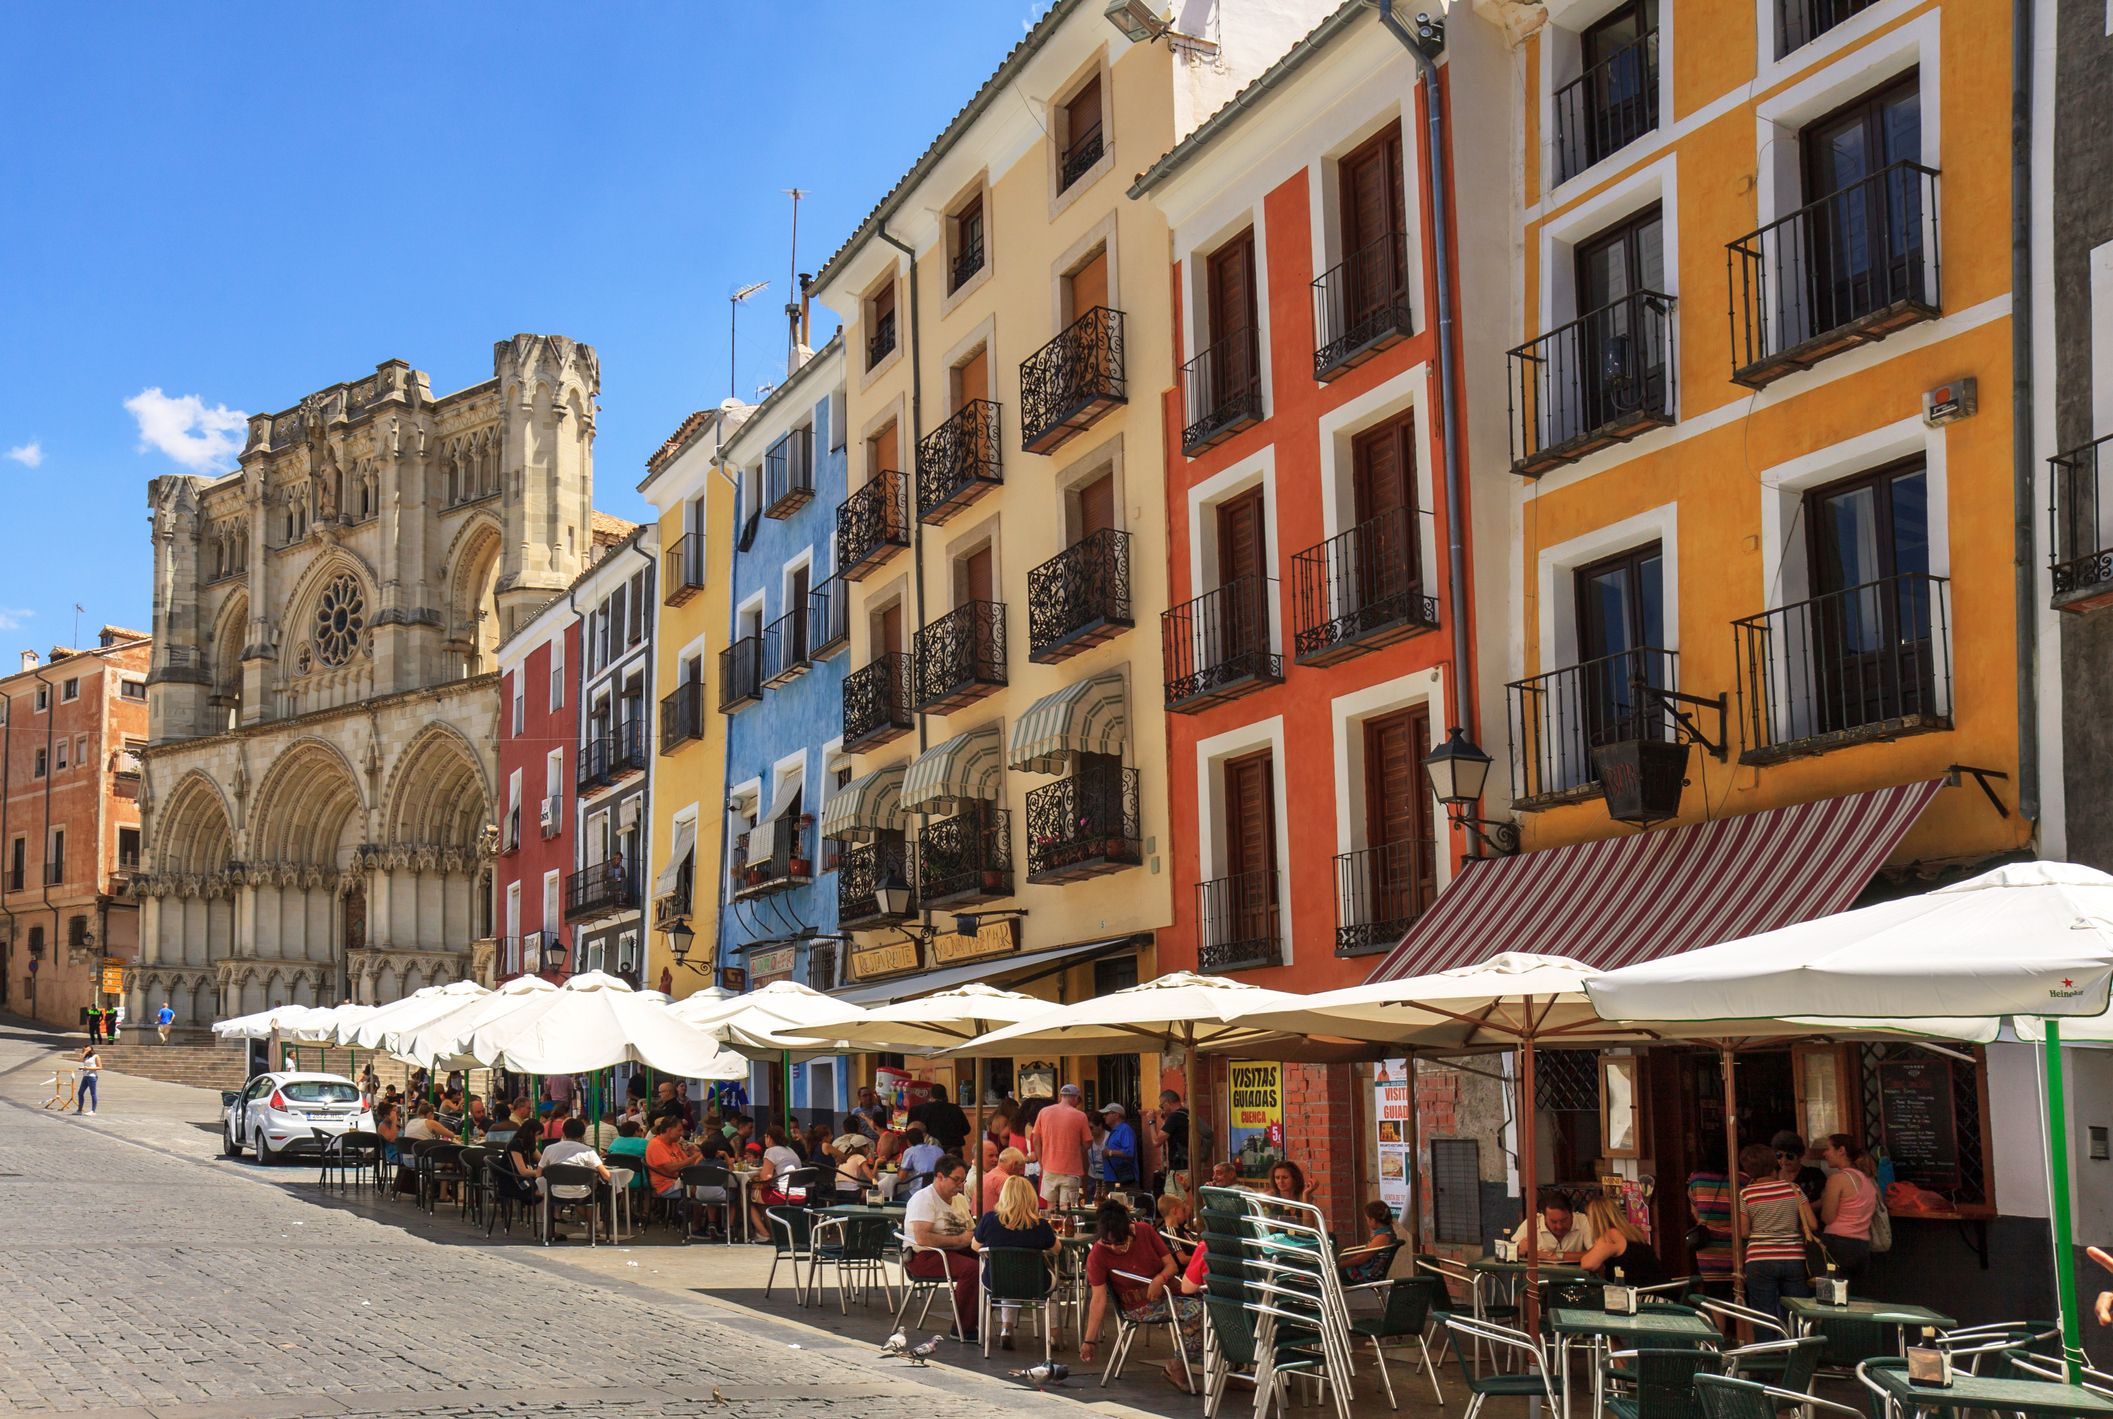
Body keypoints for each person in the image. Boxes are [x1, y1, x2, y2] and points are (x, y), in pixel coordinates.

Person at [1081, 1200, 1202, 1392]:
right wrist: (1089, 1340)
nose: (1113, 1247)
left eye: (1119, 1242)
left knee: (1216, 1311)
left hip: (1167, 1295)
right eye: (1107, 1242)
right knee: (1199, 1312)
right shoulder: (1097, 1254)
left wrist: (1159, 1279)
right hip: (1137, 1306)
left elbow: (1171, 1265)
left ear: (1128, 1231)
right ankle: (1178, 1367)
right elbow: (1098, 1299)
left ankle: (1220, 1369)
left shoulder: (1144, 1231)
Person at [974, 1174, 1058, 1351]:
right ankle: (1054, 1335)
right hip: (1037, 1283)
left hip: (995, 1281)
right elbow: (1057, 1249)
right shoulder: (1040, 1225)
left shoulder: (989, 1220)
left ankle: (1006, 1328)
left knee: (1006, 1276)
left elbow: (975, 1247)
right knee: (1054, 1289)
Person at [1738, 1141, 1818, 1321]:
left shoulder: (1746, 1194)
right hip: (1793, 1259)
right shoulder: (1794, 1189)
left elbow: (1743, 1232)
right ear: (1773, 1163)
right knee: (1796, 1312)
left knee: (1762, 1315)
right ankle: (1796, 1347)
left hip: (1760, 1259)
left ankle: (1768, 1348)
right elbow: (1812, 1225)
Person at [905, 1154, 979, 1342]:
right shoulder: (924, 1199)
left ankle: (978, 1317)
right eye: (956, 1180)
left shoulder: (960, 1199)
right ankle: (962, 1327)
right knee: (973, 1269)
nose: (960, 1185)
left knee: (993, 1262)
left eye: (962, 1180)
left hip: (956, 1250)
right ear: (940, 1176)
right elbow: (922, 1238)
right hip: (925, 1256)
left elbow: (971, 1230)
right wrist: (958, 1239)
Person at [535, 1116, 614, 1238]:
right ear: (581, 1135)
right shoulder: (587, 1150)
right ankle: (592, 1227)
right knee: (592, 1193)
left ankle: (550, 1230)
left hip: (556, 1193)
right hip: (581, 1194)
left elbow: (538, 1173)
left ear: (564, 1132)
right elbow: (607, 1175)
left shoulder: (549, 1149)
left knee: (582, 1192)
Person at [1818, 1133, 1879, 1277]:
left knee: (1833, 1294)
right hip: (1861, 1245)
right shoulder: (1868, 1179)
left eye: (1827, 1148)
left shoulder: (1837, 1178)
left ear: (1841, 1150)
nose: (1824, 1153)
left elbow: (1828, 1217)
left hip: (1837, 1243)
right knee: (1855, 1295)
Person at [645, 1115, 710, 1241]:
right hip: (666, 1185)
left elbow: (685, 1162)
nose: (682, 1133)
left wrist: (695, 1156)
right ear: (669, 1130)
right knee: (700, 1191)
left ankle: (710, 1224)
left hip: (679, 1180)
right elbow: (670, 1168)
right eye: (679, 1130)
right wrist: (692, 1158)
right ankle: (695, 1228)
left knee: (706, 1186)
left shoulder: (674, 1144)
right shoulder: (656, 1145)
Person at [1577, 1195, 1666, 1285]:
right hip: (1661, 1291)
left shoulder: (1611, 1235)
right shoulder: (1628, 1232)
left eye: (1588, 1215)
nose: (1587, 1218)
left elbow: (1588, 1264)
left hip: (1647, 1295)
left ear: (1595, 1218)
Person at [1034, 1084, 1095, 1210]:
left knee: (1050, 1206)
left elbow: (1036, 1139)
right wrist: (1080, 1149)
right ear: (1076, 1098)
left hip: (1049, 1167)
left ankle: (1051, 1229)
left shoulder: (1044, 1112)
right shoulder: (1080, 1116)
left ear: (1061, 1096)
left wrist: (1041, 1163)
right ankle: (1065, 1230)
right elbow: (1087, 1143)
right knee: (1066, 1207)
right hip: (1071, 1170)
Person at [1686, 1162, 1738, 1297]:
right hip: (1737, 1249)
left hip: (1708, 1250)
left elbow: (1694, 1211)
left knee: (1715, 1299)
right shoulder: (1742, 1178)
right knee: (1741, 1299)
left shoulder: (1697, 1178)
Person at [1511, 1192, 1595, 1258]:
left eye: (1564, 1220)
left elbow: (1596, 1254)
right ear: (1543, 1216)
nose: (1559, 1226)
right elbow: (1504, 1253)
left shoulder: (1583, 1221)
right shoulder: (1532, 1223)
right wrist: (1517, 1250)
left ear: (1572, 1212)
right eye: (1553, 1222)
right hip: (1539, 1279)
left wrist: (1555, 1256)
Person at [1339, 1201, 1399, 1284]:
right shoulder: (1387, 1231)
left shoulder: (1382, 1237)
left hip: (1366, 1275)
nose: (1367, 1222)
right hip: (1367, 1271)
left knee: (1327, 1273)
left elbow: (1362, 1259)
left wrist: (1341, 1264)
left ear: (1373, 1220)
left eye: (1367, 1219)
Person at [1144, 1089, 1189, 1197]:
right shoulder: (1186, 1113)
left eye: (1161, 1105)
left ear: (1167, 1102)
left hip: (1179, 1170)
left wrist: (1151, 1121)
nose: (1162, 1109)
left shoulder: (1175, 1117)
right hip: (1187, 1166)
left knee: (1172, 1204)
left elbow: (1156, 1141)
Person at [910, 1082, 970, 1154]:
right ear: (945, 1095)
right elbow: (966, 1129)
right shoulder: (956, 1109)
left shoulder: (918, 1109)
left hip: (929, 1149)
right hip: (954, 1149)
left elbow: (912, 1132)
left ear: (930, 1094)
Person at [1773, 1130, 1827, 1206]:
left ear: (1800, 1156)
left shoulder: (1814, 1175)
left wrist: (1802, 1211)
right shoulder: (1772, 1177)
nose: (1784, 1161)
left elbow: (1825, 1201)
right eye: (1779, 1155)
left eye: (1789, 1156)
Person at [982, 1145, 1026, 1217]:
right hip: (997, 1224)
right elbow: (1017, 1211)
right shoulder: (1007, 1181)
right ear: (1014, 1164)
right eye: (1019, 1169)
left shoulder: (986, 1177)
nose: (1019, 1174)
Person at [73, 1044, 100, 1114]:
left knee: (93, 1093)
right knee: (80, 1092)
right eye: (84, 1048)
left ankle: (93, 1110)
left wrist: (88, 1068)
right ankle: (79, 1110)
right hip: (85, 1076)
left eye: (87, 1048)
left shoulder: (95, 1056)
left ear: (91, 1048)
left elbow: (99, 1067)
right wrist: (84, 1053)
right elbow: (80, 1060)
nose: (85, 1049)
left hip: (92, 1076)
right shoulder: (86, 1057)